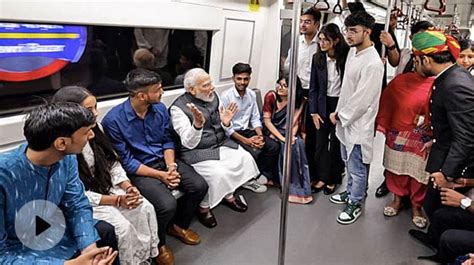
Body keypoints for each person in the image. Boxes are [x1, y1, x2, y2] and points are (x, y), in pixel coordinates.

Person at [102, 68, 208, 265]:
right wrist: (161, 175)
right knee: (166, 205)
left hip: (164, 162)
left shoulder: (159, 109)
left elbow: (168, 140)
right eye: (158, 89)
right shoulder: (113, 121)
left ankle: (178, 225)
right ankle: (158, 243)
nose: (162, 93)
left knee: (199, 186)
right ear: (142, 96)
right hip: (140, 170)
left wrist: (171, 168)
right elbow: (127, 161)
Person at [52, 86, 161, 265]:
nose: (95, 114)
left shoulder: (96, 129)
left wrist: (128, 187)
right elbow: (73, 193)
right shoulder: (63, 147)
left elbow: (112, 163)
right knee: (123, 228)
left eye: (95, 107)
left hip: (105, 186)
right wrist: (117, 201)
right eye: (89, 110)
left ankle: (145, 258)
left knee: (144, 207)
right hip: (88, 198)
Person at [0, 103, 117, 264]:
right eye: (85, 132)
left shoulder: (66, 158)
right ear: (61, 143)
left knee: (105, 233)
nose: (91, 136)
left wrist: (89, 249)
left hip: (52, 228)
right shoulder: (5, 174)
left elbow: (76, 204)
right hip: (18, 246)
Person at [170, 68, 259, 227]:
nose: (212, 87)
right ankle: (204, 208)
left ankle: (229, 195)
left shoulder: (213, 97)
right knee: (218, 173)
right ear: (192, 90)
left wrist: (226, 122)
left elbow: (223, 122)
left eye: (210, 82)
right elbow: (187, 143)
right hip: (196, 152)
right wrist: (197, 126)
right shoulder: (178, 109)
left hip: (219, 143)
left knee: (244, 158)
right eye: (206, 85)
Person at [407, 30, 474, 221]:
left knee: (441, 211)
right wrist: (436, 141)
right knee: (432, 204)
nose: (415, 65)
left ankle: (439, 246)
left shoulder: (455, 85)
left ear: (427, 60)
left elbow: (466, 138)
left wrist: (446, 174)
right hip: (444, 149)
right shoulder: (450, 77)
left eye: (417, 61)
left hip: (457, 164)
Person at [328, 11, 384, 225]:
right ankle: (350, 191)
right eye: (347, 30)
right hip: (344, 120)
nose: (348, 35)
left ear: (367, 32)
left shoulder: (373, 63)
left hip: (359, 123)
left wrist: (341, 115)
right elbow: (347, 89)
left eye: (354, 31)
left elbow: (362, 99)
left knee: (358, 167)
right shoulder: (353, 53)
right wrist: (340, 114)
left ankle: (356, 203)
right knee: (348, 163)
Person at [376, 62, 434, 229]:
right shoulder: (400, 81)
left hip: (422, 137)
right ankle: (397, 200)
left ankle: (417, 206)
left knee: (419, 173)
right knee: (396, 169)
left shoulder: (437, 84)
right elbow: (387, 103)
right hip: (398, 132)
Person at [221, 62, 279, 188]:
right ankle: (249, 180)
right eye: (239, 79)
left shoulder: (251, 95)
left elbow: (255, 118)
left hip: (248, 130)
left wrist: (260, 136)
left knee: (273, 146)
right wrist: (247, 141)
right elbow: (226, 128)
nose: (242, 82)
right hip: (232, 135)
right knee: (253, 151)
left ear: (249, 79)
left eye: (246, 79)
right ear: (233, 78)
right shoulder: (226, 96)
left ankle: (262, 174)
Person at [308, 23, 349, 195]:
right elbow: (313, 87)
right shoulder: (317, 59)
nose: (322, 43)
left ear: (336, 41)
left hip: (340, 104)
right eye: (321, 40)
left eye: (326, 40)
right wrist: (313, 111)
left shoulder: (347, 58)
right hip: (322, 104)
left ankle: (333, 178)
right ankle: (322, 177)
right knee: (320, 144)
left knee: (336, 144)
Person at [284, 7, 321, 183]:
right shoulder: (296, 42)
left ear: (317, 24)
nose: (303, 25)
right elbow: (288, 66)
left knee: (312, 135)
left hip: (314, 92)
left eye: (307, 21)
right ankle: (294, 170)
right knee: (295, 130)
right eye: (301, 21)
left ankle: (312, 173)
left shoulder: (321, 44)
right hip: (297, 90)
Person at [262, 76, 312, 204]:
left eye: (285, 86)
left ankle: (298, 187)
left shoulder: (299, 101)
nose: (280, 87)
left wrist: (290, 137)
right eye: (279, 84)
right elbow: (267, 121)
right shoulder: (271, 96)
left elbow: (295, 123)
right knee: (284, 147)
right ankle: (282, 182)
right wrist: (283, 138)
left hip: (288, 131)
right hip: (272, 131)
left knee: (297, 144)